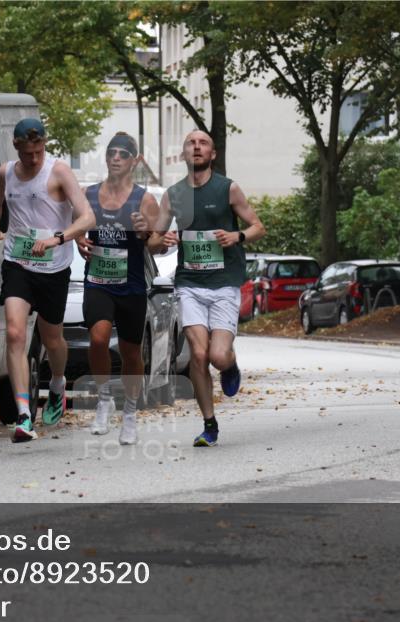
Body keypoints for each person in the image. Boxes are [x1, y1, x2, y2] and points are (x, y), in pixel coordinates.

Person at [0, 118, 95, 442]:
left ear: (44, 144)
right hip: (17, 261)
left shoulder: (58, 171)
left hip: (54, 267)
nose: (34, 159)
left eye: (39, 151)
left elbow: (87, 215)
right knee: (16, 333)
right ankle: (23, 416)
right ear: (16, 147)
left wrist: (59, 239)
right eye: (28, 153)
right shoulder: (6, 173)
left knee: (52, 340)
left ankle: (58, 383)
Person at [154, 130, 266, 447]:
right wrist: (161, 241)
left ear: (212, 154)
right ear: (184, 154)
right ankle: (209, 424)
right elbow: (151, 241)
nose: (197, 147)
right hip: (189, 283)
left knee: (217, 355)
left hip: (224, 283)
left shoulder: (227, 189)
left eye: (203, 143)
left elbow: (258, 226)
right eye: (191, 142)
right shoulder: (173, 195)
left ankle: (230, 366)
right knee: (199, 355)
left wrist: (238, 237)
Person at [77, 133, 163, 445]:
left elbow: (156, 244)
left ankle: (129, 412)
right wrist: (78, 240)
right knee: (98, 339)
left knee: (130, 351)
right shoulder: (88, 195)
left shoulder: (144, 199)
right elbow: (76, 225)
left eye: (123, 154)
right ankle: (104, 399)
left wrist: (146, 233)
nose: (116, 157)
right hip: (98, 281)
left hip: (131, 284)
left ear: (134, 160)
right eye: (112, 152)